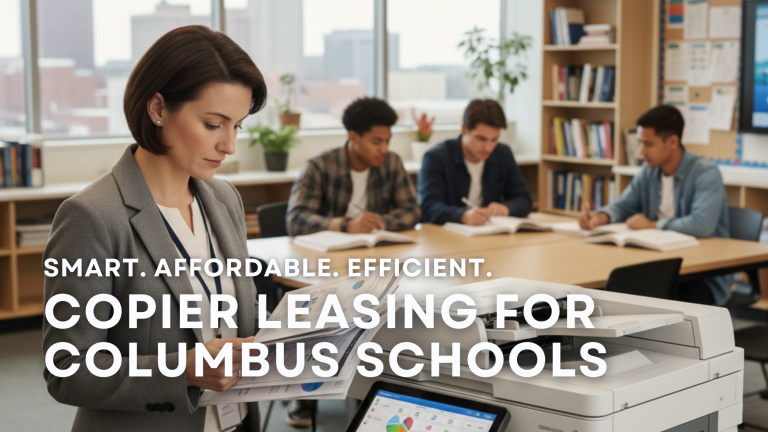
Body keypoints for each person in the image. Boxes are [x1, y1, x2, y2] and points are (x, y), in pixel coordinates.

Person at [43, 26, 268, 431]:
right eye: (213, 124)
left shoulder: (224, 200)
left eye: (238, 126)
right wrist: (184, 369)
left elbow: (230, 318)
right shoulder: (92, 216)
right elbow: (66, 367)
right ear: (158, 108)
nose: (229, 146)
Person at [579, 105, 731, 305]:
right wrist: (600, 218)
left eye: (648, 144)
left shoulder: (705, 173)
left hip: (701, 276)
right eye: (641, 143)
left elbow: (701, 224)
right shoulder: (649, 171)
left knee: (645, 303)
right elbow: (625, 204)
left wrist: (652, 225)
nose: (642, 151)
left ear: (673, 142)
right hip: (659, 263)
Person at [287, 97, 420, 236]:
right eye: (377, 142)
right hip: (329, 253)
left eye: (387, 141)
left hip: (376, 250)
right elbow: (296, 220)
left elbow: (412, 210)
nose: (384, 149)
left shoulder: (392, 162)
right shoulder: (319, 166)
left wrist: (378, 223)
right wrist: (347, 225)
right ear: (354, 137)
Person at [418, 99, 532, 226]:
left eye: (494, 140)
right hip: (447, 239)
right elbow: (429, 208)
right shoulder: (436, 158)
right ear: (464, 129)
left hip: (491, 234)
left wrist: (506, 208)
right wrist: (463, 216)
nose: (488, 148)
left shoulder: (502, 154)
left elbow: (524, 199)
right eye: (481, 139)